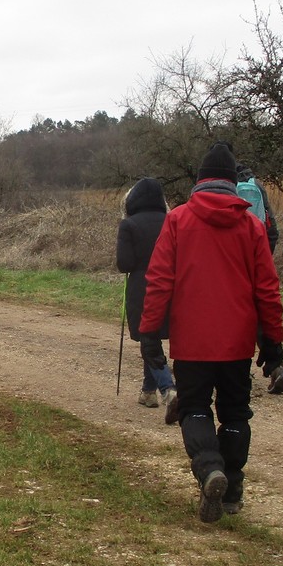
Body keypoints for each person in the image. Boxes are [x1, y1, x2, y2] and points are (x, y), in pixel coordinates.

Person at [139, 144, 283, 523]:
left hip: (192, 343)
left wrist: (150, 331)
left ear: (200, 181)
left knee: (195, 409)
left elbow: (159, 281)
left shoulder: (178, 220)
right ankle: (231, 488)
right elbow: (268, 290)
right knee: (235, 413)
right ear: (233, 183)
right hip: (237, 343)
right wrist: (273, 342)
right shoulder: (251, 226)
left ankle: (209, 468)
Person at [219, 141, 283, 394]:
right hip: (259, 251)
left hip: (233, 261)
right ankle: (277, 366)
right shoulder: (255, 184)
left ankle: (239, 365)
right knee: (262, 309)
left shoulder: (223, 187)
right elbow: (271, 226)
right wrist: (264, 257)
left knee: (234, 313)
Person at [116, 177, 176, 417]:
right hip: (172, 283)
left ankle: (168, 388)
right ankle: (148, 391)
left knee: (147, 337)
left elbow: (124, 264)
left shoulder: (129, 225)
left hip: (143, 285)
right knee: (152, 340)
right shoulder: (172, 220)